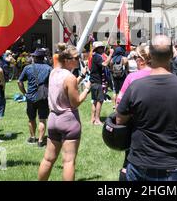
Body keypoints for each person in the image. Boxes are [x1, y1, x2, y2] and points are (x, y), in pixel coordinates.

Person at [117, 35, 177, 181]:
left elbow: (120, 120)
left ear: (151, 55)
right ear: (171, 55)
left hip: (140, 162)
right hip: (174, 163)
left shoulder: (136, 86)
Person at [38, 45, 91, 181]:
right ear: (67, 60)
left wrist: (80, 77)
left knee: (48, 159)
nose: (78, 60)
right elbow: (76, 102)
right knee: (68, 161)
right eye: (76, 58)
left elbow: (64, 87)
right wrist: (86, 90)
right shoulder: (70, 77)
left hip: (53, 119)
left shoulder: (54, 72)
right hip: (68, 121)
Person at [115, 45, 152, 180]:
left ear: (142, 60)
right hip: (160, 129)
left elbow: (120, 103)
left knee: (129, 162)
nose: (135, 60)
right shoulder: (163, 75)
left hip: (136, 128)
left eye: (136, 57)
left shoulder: (132, 77)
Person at [18, 49, 52, 147]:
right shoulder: (49, 68)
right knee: (42, 119)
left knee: (31, 118)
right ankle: (41, 141)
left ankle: (32, 138)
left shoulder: (28, 68)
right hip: (43, 97)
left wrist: (25, 93)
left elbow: (19, 82)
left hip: (30, 97)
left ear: (35, 58)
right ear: (43, 58)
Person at [89, 41, 113, 125]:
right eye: (101, 47)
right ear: (98, 48)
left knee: (94, 101)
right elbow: (105, 64)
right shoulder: (98, 57)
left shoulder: (94, 56)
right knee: (100, 100)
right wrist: (110, 54)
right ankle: (97, 120)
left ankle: (92, 119)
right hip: (97, 82)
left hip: (94, 81)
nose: (103, 49)